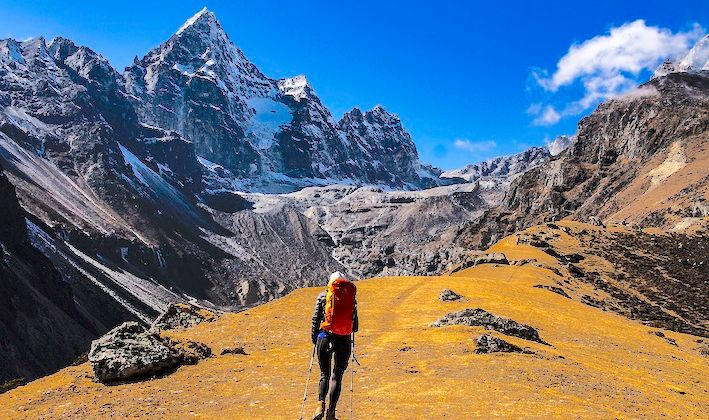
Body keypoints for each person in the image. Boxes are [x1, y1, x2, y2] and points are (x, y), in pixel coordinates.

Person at [311, 271, 359, 420]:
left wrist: (315, 339)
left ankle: (320, 406)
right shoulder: (351, 299)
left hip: (324, 337)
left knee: (324, 374)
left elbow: (315, 319)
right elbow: (355, 326)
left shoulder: (323, 296)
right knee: (336, 376)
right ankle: (331, 413)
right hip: (343, 340)